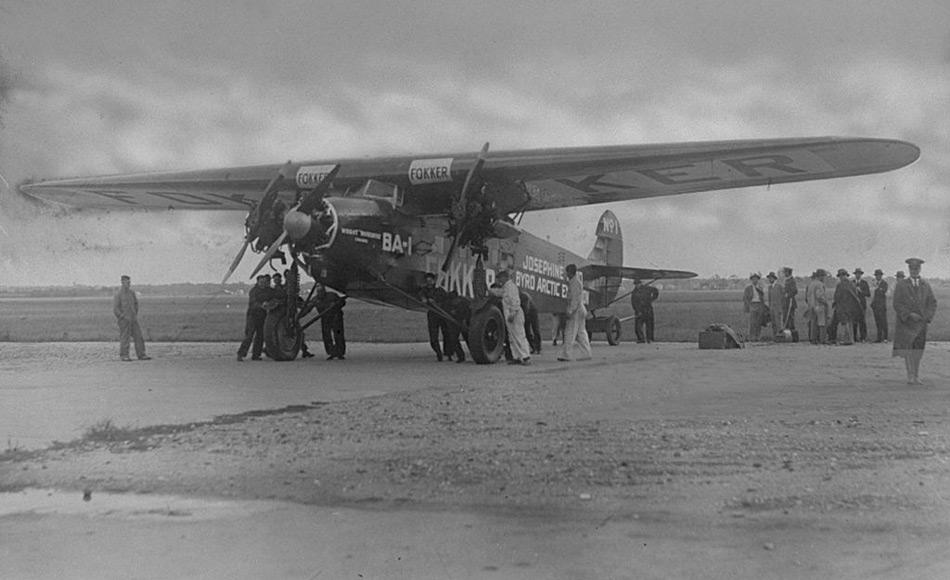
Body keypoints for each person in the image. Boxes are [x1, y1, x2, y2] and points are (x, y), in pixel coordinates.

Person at [892, 257, 937, 385]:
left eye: (916, 268)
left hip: (921, 324)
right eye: (912, 268)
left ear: (920, 269)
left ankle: (916, 374)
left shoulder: (926, 285)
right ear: (909, 269)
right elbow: (897, 303)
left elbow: (932, 302)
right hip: (907, 323)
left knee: (919, 349)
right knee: (908, 349)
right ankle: (910, 375)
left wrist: (927, 316)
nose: (914, 271)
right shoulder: (901, 285)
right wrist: (909, 314)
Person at [495, 270, 531, 365]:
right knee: (512, 337)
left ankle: (526, 356)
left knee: (519, 335)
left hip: (515, 314)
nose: (499, 280)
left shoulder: (511, 287)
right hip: (510, 315)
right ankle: (517, 357)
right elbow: (500, 293)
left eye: (500, 278)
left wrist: (513, 314)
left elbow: (515, 302)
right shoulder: (506, 287)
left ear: (504, 277)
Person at [557, 264, 592, 361]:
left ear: (570, 272)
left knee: (570, 332)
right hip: (580, 310)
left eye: (567, 272)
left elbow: (575, 300)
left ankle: (566, 355)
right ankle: (586, 353)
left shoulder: (575, 283)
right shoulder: (575, 282)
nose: (566, 274)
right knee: (581, 333)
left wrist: (570, 311)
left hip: (576, 310)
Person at [113, 275, 150, 361]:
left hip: (133, 319)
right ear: (122, 282)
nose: (129, 284)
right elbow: (116, 309)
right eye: (127, 282)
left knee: (138, 336)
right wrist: (122, 317)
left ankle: (141, 354)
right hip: (124, 320)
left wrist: (134, 314)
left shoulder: (132, 293)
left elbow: (136, 304)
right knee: (125, 338)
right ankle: (124, 355)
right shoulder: (118, 294)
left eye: (129, 282)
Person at [237, 274, 270, 361]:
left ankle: (256, 355)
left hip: (262, 316)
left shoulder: (267, 291)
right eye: (261, 282)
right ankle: (241, 354)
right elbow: (253, 302)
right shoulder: (253, 291)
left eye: (264, 282)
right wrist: (262, 305)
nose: (263, 284)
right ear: (258, 282)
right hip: (253, 315)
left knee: (260, 336)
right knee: (249, 335)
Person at [418, 272, 448, 361]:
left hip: (442, 314)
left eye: (430, 280)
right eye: (427, 281)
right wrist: (423, 299)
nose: (429, 282)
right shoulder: (423, 290)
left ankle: (448, 353)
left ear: (434, 281)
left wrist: (435, 302)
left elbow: (446, 300)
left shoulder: (440, 290)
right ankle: (439, 353)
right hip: (432, 315)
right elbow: (421, 296)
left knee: (447, 334)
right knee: (433, 337)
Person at [315, 282, 346, 360]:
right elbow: (307, 308)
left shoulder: (332, 295)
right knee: (326, 335)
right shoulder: (315, 299)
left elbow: (343, 302)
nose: (320, 291)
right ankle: (331, 352)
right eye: (318, 289)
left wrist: (336, 304)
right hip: (325, 319)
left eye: (321, 289)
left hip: (336, 317)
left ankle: (340, 352)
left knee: (338, 335)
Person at [831, 268, 861, 345]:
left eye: (841, 275)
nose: (841, 277)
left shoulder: (840, 285)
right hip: (851, 307)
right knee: (849, 322)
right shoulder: (852, 284)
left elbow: (837, 296)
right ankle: (850, 339)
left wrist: (834, 303)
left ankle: (846, 339)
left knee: (844, 323)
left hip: (842, 306)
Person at [804, 269, 829, 344]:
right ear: (820, 276)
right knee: (822, 324)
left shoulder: (810, 284)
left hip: (811, 306)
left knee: (813, 324)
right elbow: (819, 296)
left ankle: (813, 340)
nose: (824, 278)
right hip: (819, 306)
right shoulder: (820, 284)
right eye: (823, 276)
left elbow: (807, 296)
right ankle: (822, 340)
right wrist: (825, 303)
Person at [630, 278, 659, 343]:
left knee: (649, 325)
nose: (637, 285)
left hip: (648, 310)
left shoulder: (647, 288)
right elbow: (633, 302)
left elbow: (656, 291)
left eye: (638, 284)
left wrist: (652, 298)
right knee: (638, 327)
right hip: (639, 311)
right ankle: (641, 339)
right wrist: (637, 310)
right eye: (636, 284)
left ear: (640, 283)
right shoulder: (634, 292)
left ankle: (649, 339)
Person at [742, 273, 766, 341]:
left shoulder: (760, 288)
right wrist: (748, 306)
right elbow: (745, 298)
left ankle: (757, 337)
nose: (755, 280)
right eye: (753, 279)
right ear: (751, 280)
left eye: (756, 279)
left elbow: (762, 297)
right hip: (752, 305)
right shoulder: (748, 288)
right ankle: (751, 337)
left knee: (759, 322)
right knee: (752, 322)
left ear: (758, 280)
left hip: (759, 305)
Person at [871, 268, 889, 343]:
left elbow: (884, 293)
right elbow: (872, 294)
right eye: (876, 275)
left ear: (881, 276)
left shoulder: (884, 283)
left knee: (883, 322)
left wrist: (878, 288)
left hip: (881, 306)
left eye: (879, 275)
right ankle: (879, 338)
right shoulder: (874, 284)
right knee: (878, 322)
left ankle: (885, 337)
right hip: (875, 306)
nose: (878, 276)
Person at [852, 267, 871, 342]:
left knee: (862, 321)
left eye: (859, 274)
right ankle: (854, 337)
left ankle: (863, 337)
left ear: (861, 275)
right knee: (854, 322)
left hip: (862, 305)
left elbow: (868, 294)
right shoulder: (852, 283)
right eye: (857, 274)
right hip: (854, 305)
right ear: (855, 274)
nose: (858, 275)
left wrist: (861, 291)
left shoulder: (864, 283)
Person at [767, 271, 785, 337]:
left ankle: (780, 336)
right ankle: (775, 336)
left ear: (774, 279)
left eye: (771, 278)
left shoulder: (779, 286)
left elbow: (783, 297)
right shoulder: (769, 287)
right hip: (772, 308)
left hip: (778, 307)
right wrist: (769, 307)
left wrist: (781, 307)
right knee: (773, 323)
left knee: (778, 323)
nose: (770, 279)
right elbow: (769, 299)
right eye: (769, 278)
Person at [782, 267, 798, 332]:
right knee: (786, 317)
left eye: (786, 272)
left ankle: (792, 331)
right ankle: (787, 331)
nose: (785, 273)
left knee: (790, 317)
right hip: (786, 302)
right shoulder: (786, 280)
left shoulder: (792, 280)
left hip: (790, 302)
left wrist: (788, 295)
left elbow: (795, 290)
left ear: (788, 273)